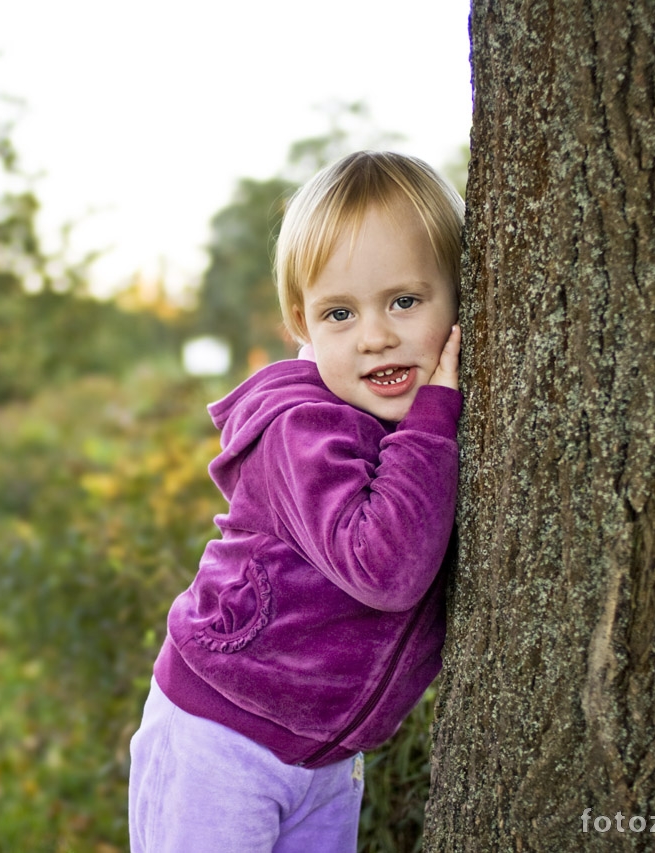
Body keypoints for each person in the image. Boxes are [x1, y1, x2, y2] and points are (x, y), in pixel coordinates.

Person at [128, 150, 465, 853]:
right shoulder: (300, 428)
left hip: (326, 758)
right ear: (301, 324)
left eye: (404, 300)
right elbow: (385, 568)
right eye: (340, 312)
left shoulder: (396, 425)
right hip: (219, 738)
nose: (375, 335)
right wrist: (434, 419)